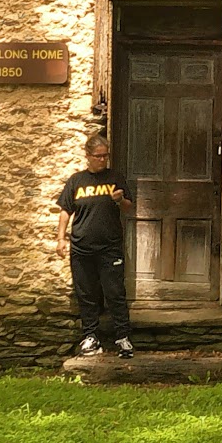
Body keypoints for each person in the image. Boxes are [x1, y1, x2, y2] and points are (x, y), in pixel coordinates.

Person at [56, 132, 135, 357]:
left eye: (106, 156)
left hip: (109, 247)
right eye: (99, 156)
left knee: (115, 292)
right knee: (86, 293)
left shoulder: (115, 178)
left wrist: (120, 200)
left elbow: (129, 207)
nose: (103, 160)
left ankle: (123, 337)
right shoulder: (76, 181)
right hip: (82, 248)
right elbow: (65, 211)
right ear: (88, 156)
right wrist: (61, 238)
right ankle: (90, 337)